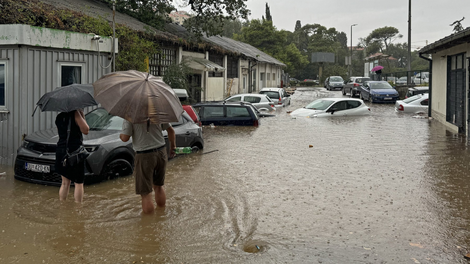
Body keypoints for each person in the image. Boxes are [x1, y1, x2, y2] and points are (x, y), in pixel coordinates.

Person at [120, 120, 176, 214]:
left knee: (145, 192)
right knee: (159, 186)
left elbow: (125, 138)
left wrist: (121, 135)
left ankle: (149, 225)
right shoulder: (157, 112)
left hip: (144, 155)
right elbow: (171, 131)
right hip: (161, 152)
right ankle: (161, 214)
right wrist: (173, 147)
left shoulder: (130, 116)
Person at [55, 109, 89, 203]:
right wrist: (82, 117)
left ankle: (62, 205)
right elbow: (86, 130)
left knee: (65, 183)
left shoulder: (59, 117)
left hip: (61, 151)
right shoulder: (76, 113)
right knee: (78, 182)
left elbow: (62, 134)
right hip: (75, 152)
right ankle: (78, 209)